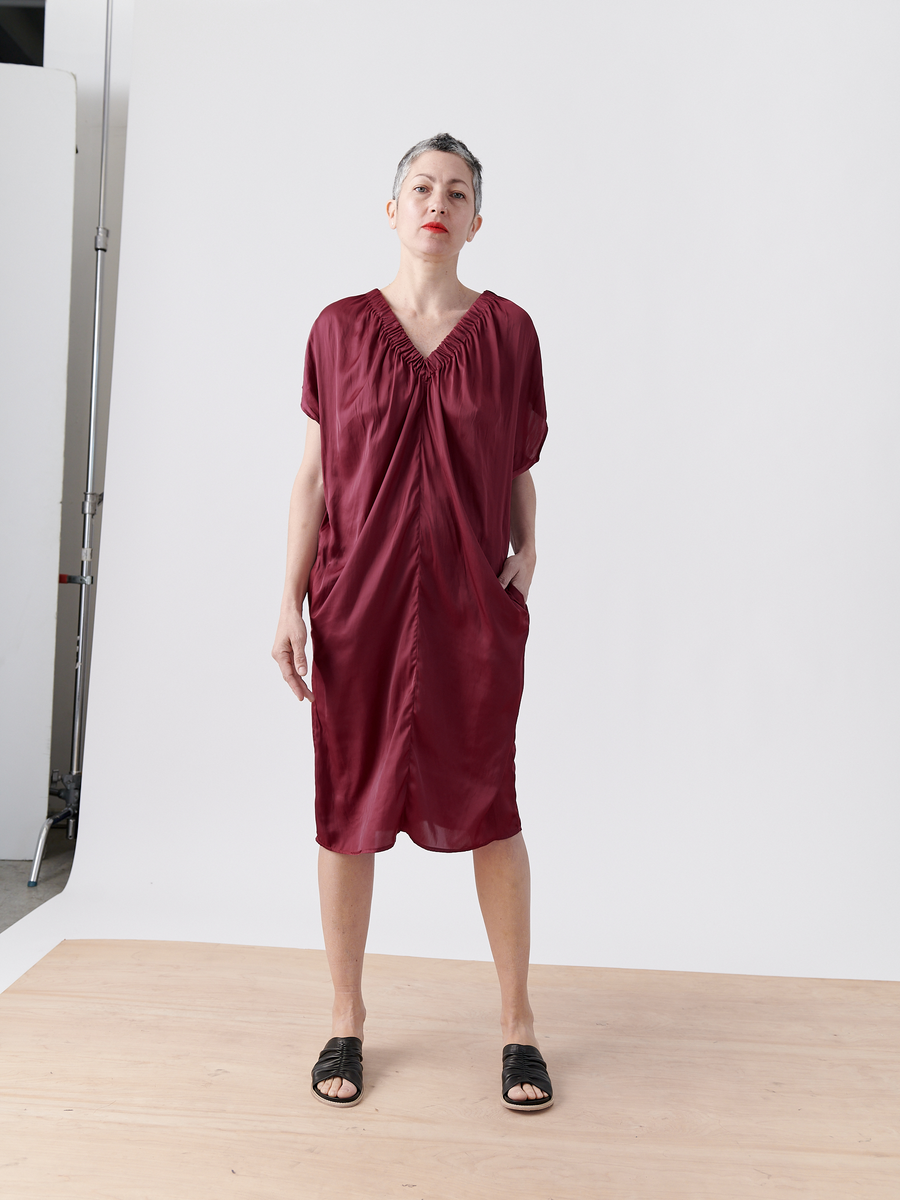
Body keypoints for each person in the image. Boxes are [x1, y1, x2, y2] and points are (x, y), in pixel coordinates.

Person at [272, 133, 551, 1112]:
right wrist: (287, 600)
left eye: (459, 191)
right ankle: (345, 1019)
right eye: (422, 188)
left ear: (478, 220)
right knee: (348, 807)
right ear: (392, 211)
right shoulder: (339, 330)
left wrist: (528, 546)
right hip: (357, 602)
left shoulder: (510, 332)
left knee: (490, 804)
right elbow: (313, 475)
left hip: (474, 608)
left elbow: (518, 457)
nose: (439, 202)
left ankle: (518, 1028)